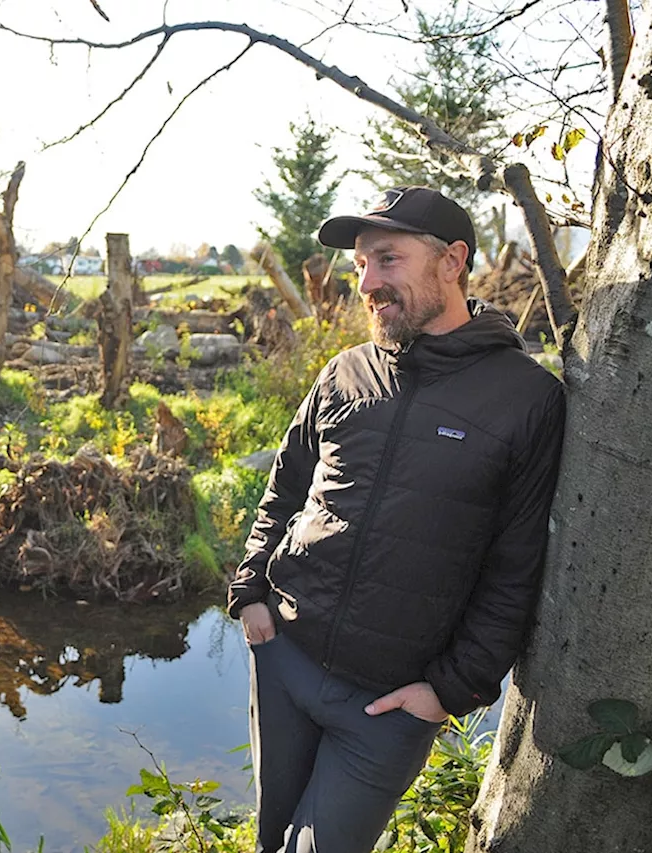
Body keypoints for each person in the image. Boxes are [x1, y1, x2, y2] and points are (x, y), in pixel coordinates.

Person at [227, 186, 566, 853]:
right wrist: (249, 592)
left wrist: (449, 689)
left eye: (387, 259)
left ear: (452, 261)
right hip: (285, 657)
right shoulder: (344, 373)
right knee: (271, 840)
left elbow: (516, 567)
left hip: (388, 704)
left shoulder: (527, 399)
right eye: (360, 266)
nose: (368, 283)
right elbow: (287, 483)